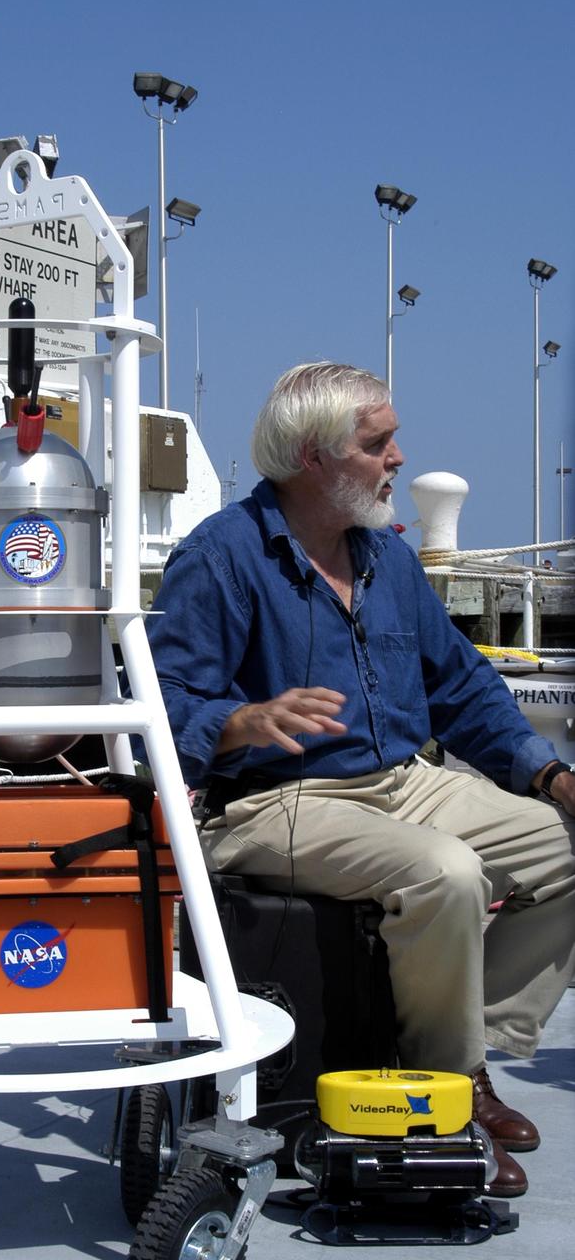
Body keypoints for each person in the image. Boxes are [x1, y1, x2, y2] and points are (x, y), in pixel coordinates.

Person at [146, 362, 575, 1197]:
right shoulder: (221, 557)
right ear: (312, 456)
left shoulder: (385, 558)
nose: (397, 460)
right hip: (274, 801)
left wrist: (552, 775)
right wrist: (235, 723)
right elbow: (159, 700)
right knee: (444, 874)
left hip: (402, 780)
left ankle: (464, 1054)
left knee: (562, 846)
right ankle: (446, 1095)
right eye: (377, 444)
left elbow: (461, 686)